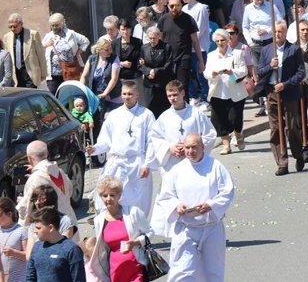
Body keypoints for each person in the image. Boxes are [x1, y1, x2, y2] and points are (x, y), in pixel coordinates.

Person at [155, 133, 235, 281]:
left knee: (213, 271)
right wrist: (176, 205)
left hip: (212, 227)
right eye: (187, 148)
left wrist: (211, 205)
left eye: (194, 147)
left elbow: (227, 192)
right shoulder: (177, 170)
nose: (190, 151)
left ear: (203, 147)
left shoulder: (215, 166)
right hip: (187, 229)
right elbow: (165, 196)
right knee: (181, 271)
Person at [149, 80, 216, 236]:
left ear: (183, 93)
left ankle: (199, 226)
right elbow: (155, 136)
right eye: (169, 96)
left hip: (192, 163)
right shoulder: (165, 117)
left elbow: (210, 135)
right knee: (172, 195)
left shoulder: (196, 114)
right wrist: (169, 148)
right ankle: (174, 231)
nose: (172, 98)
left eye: (175, 94)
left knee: (192, 193)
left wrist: (192, 148)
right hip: (172, 163)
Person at [86, 81, 156, 214]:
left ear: (137, 95)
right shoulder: (114, 115)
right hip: (117, 164)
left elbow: (152, 142)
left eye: (130, 94)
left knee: (136, 203)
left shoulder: (146, 115)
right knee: (110, 200)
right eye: (124, 94)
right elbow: (105, 140)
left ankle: (135, 232)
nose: (126, 97)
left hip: (137, 164)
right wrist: (94, 149)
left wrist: (147, 164)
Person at [256, 20, 306, 176]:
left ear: (285, 33)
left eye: (281, 31)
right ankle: (282, 162)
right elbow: (260, 72)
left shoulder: (294, 50)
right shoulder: (266, 50)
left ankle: (298, 154)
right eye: (275, 31)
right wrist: (271, 66)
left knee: (291, 127)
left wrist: (285, 84)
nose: (278, 34)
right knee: (276, 129)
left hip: (288, 92)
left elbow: (300, 73)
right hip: (272, 93)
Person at [87, 176, 153, 282]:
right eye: (105, 195)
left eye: (112, 195)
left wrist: (136, 242)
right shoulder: (99, 220)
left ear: (119, 195)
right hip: (115, 269)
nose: (108, 199)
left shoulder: (133, 212)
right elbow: (102, 248)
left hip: (136, 267)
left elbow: (150, 233)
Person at [203, 29, 249, 154]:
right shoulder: (211, 55)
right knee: (219, 119)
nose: (220, 43)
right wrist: (212, 74)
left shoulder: (237, 53)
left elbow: (244, 70)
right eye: (217, 41)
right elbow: (206, 73)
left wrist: (232, 72)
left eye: (222, 40)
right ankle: (226, 145)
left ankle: (238, 134)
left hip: (234, 91)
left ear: (227, 40)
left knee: (235, 118)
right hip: (218, 91)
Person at [157, 0, 205, 102]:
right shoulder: (163, 19)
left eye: (177, 5)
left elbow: (195, 42)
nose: (174, 8)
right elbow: (160, 41)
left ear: (181, 6)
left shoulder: (188, 19)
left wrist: (201, 61)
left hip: (184, 56)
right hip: (168, 58)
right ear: (167, 6)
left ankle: (185, 109)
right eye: (172, 6)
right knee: (169, 86)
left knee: (182, 86)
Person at [17, 140, 76, 226]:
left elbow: (26, 209)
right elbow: (70, 191)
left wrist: (21, 200)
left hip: (51, 226)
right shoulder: (60, 171)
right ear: (47, 153)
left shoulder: (36, 178)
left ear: (29, 157)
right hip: (69, 222)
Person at [25, 208, 85, 282]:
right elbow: (30, 277)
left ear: (51, 228)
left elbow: (79, 279)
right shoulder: (36, 247)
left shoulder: (71, 249)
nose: (35, 231)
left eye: (38, 228)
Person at [42, 13, 90, 94]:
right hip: (54, 74)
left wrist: (78, 52)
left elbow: (85, 41)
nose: (54, 28)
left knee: (70, 95)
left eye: (56, 25)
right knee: (54, 95)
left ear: (62, 24)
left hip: (70, 71)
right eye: (52, 25)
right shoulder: (48, 36)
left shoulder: (71, 34)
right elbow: (39, 48)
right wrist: (46, 44)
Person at [24, 186, 77, 258]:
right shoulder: (33, 225)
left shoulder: (65, 221)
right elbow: (29, 255)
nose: (37, 203)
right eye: (35, 199)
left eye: (41, 200)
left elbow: (64, 249)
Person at [181, 0, 211, 104]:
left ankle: (206, 99)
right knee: (188, 74)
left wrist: (191, 39)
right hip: (187, 47)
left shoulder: (201, 8)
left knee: (201, 74)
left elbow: (200, 28)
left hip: (200, 47)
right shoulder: (184, 8)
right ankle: (194, 97)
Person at [0, 198, 28, 282]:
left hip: (18, 278)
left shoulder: (22, 231)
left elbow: (28, 256)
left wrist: (14, 252)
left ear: (9, 214)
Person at [80, 38, 122, 119]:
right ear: (99, 50)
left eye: (110, 49)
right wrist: (82, 89)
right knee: (97, 120)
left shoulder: (115, 58)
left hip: (113, 95)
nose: (110, 51)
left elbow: (114, 78)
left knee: (117, 119)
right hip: (97, 96)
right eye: (107, 50)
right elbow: (84, 76)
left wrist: (105, 93)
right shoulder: (92, 58)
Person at [138, 27, 174, 117]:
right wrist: (148, 71)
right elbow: (139, 64)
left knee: (164, 109)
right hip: (149, 84)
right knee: (149, 109)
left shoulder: (166, 47)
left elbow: (168, 65)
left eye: (154, 38)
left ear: (159, 37)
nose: (152, 40)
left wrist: (155, 71)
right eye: (150, 38)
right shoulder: (144, 48)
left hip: (162, 83)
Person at [4, 13, 46, 88]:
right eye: (10, 27)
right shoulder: (7, 37)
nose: (12, 29)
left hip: (30, 74)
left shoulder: (33, 34)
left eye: (15, 26)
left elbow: (41, 55)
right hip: (16, 75)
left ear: (21, 24)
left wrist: (43, 74)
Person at [112, 19, 142, 91]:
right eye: (123, 29)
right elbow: (111, 60)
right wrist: (121, 64)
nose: (125, 32)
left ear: (131, 29)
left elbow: (141, 58)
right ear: (119, 30)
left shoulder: (138, 42)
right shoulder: (114, 43)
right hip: (119, 77)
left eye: (127, 29)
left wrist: (132, 64)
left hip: (135, 76)